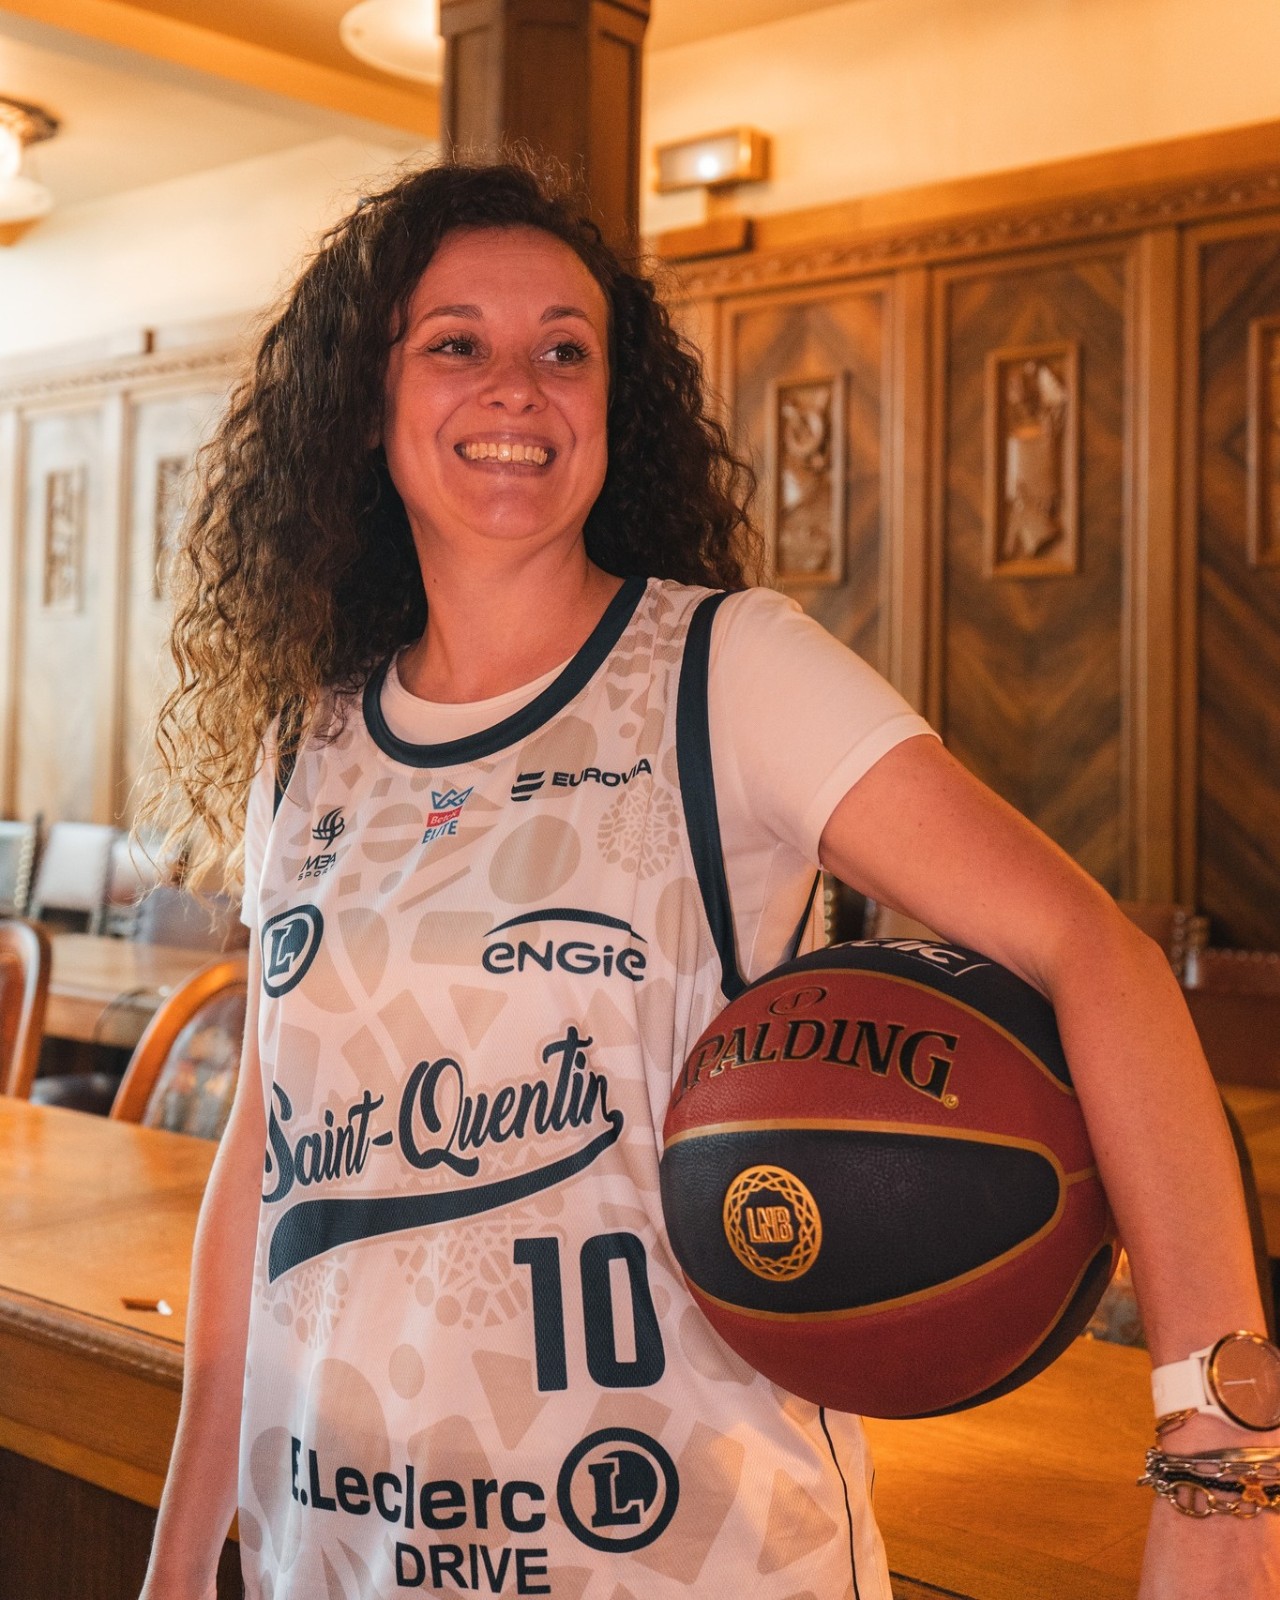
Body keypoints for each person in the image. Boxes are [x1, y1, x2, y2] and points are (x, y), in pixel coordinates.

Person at [139, 160, 1280, 1600]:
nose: (518, 387)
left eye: (566, 350)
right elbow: (264, 1157)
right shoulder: (308, 744)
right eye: (456, 343)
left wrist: (1223, 1465)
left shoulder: (726, 672)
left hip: (684, 1552)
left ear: (615, 406)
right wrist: (183, 1552)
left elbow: (1094, 951)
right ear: (366, 404)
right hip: (338, 1551)